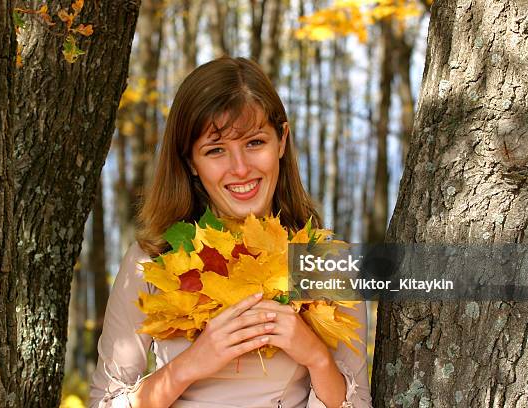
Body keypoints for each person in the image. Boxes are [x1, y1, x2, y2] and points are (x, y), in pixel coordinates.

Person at [89, 56, 372, 408]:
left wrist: (315, 356)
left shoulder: (324, 262)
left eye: (255, 143)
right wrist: (190, 365)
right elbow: (105, 401)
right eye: (216, 150)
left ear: (281, 141)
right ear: (191, 161)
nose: (240, 169)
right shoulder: (151, 260)